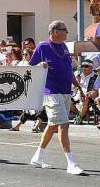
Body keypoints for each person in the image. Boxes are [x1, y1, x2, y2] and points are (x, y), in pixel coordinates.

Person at [28, 20, 85, 175]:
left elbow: (68, 70)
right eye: (64, 29)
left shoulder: (64, 47)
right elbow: (30, 67)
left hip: (66, 91)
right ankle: (71, 163)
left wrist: (79, 88)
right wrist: (39, 65)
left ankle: (37, 156)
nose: (67, 32)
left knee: (53, 125)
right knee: (64, 125)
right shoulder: (43, 46)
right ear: (55, 31)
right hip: (51, 92)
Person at [74, 59, 100, 125]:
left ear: (91, 68)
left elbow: (98, 90)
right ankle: (81, 114)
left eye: (86, 66)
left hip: (89, 96)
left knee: (85, 100)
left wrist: (90, 93)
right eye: (82, 66)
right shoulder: (79, 76)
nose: (84, 68)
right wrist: (77, 83)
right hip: (77, 94)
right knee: (66, 100)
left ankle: (80, 117)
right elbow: (73, 88)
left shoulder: (96, 77)